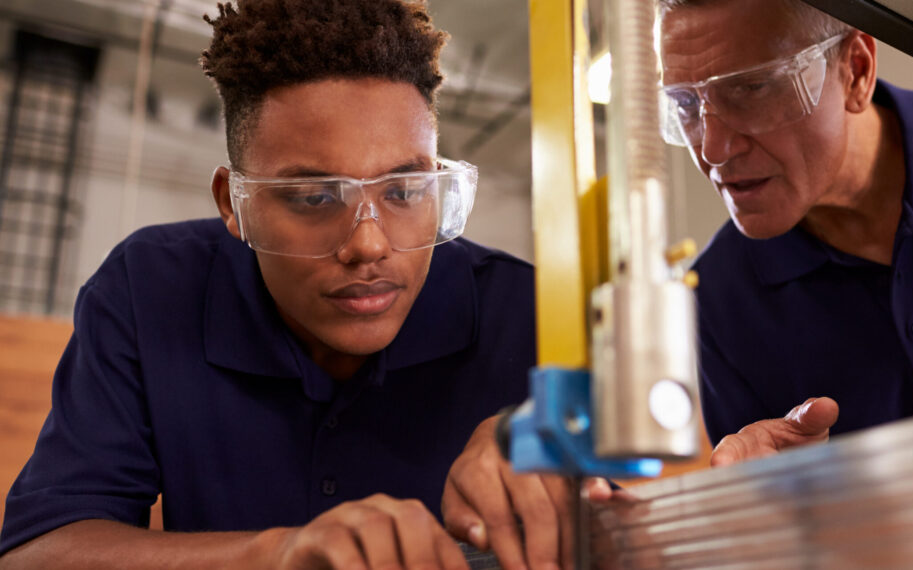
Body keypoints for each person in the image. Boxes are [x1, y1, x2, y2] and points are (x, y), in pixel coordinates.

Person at [0, 0, 534, 567]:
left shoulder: (527, 313)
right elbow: (35, 552)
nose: (369, 245)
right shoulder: (151, 289)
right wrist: (276, 554)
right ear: (233, 204)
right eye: (315, 197)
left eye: (404, 192)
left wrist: (554, 446)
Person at [656, 0, 913, 461]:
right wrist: (768, 491)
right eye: (685, 104)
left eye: (751, 88)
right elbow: (775, 496)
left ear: (856, 72)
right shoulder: (721, 296)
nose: (713, 149)